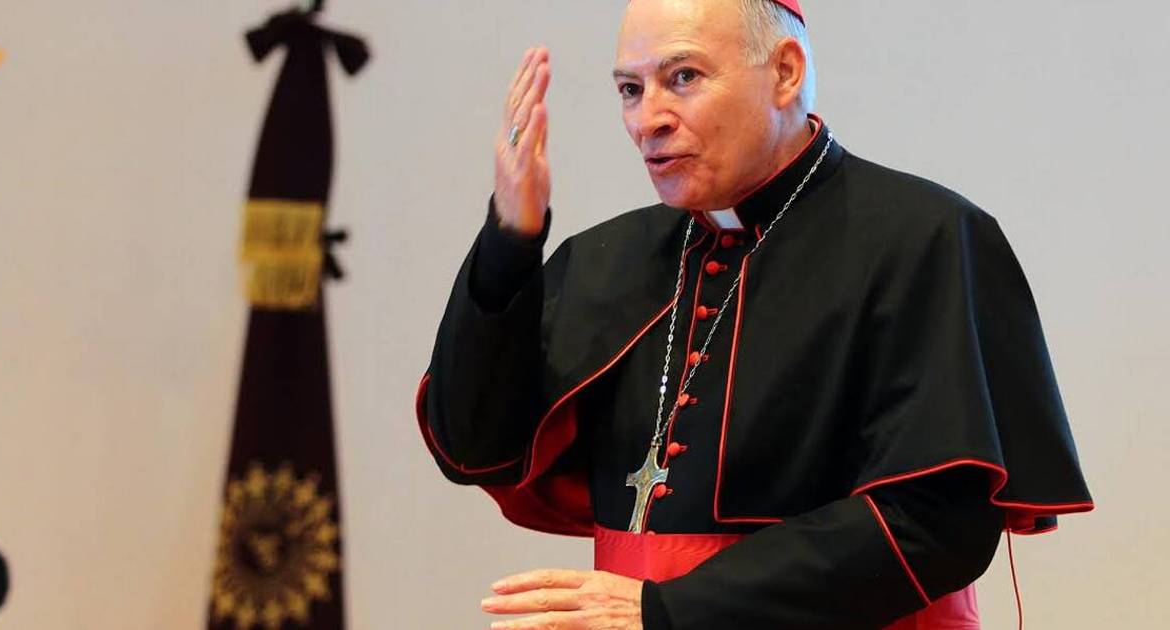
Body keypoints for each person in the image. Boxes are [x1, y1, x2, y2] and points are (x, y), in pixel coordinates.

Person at [414, 1, 1093, 628]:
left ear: (786, 73)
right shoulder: (609, 259)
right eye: (630, 89)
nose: (648, 119)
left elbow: (934, 523)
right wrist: (510, 241)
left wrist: (673, 612)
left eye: (682, 78)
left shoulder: (924, 238)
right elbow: (474, 447)